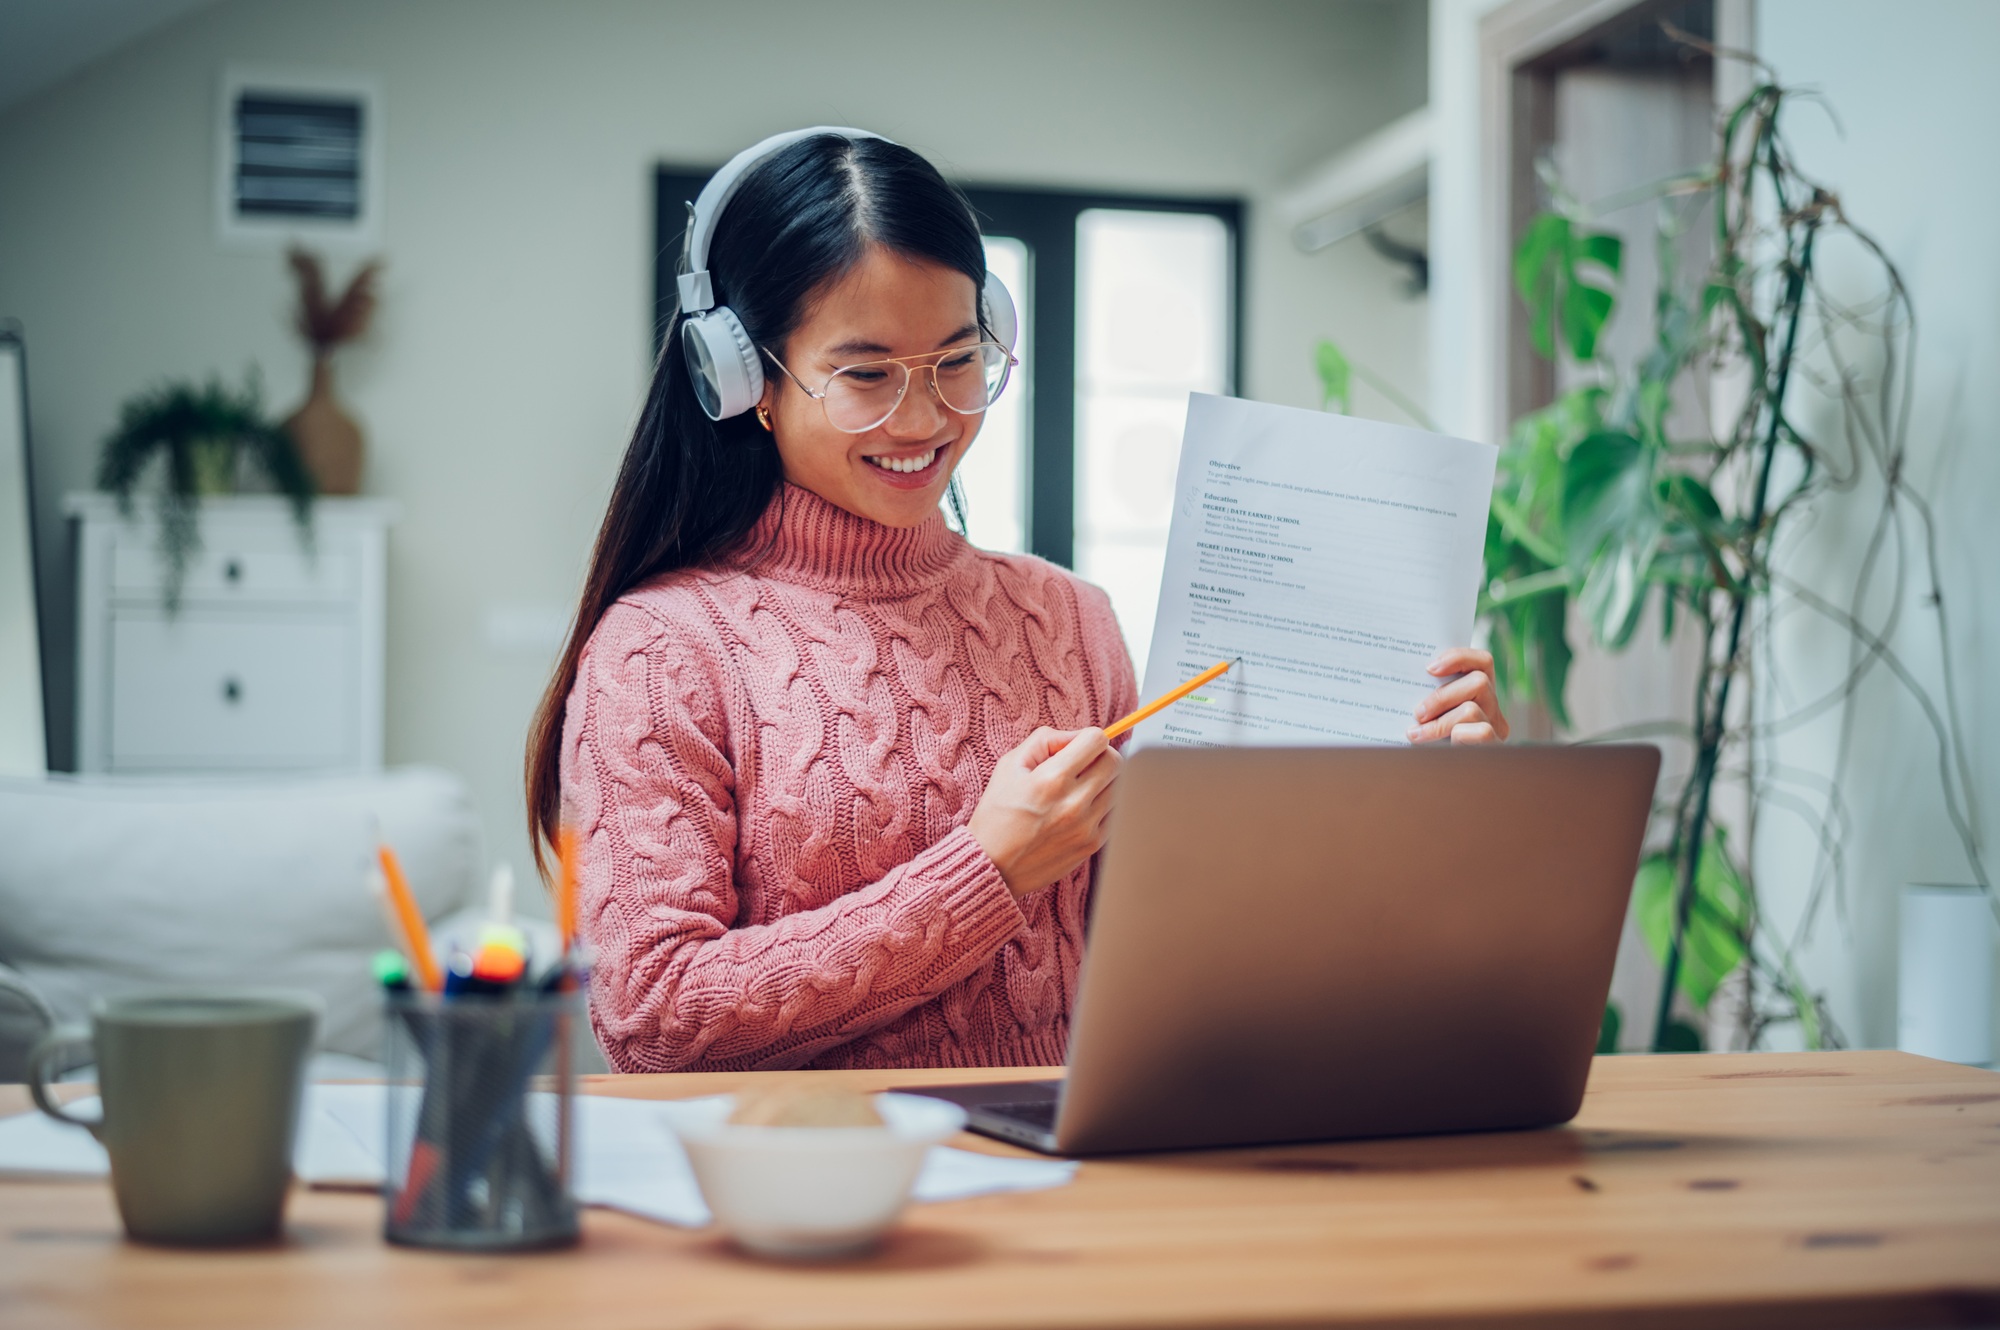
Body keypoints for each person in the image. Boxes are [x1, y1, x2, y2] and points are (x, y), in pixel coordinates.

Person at [525, 128, 1509, 1075]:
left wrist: (1416, 802)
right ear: (746, 381)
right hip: (804, 1195)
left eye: (958, 361)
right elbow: (651, 1019)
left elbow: (1193, 956)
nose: (924, 418)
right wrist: (982, 871)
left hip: (1072, 1178)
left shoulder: (1070, 619)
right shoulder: (658, 652)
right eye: (865, 375)